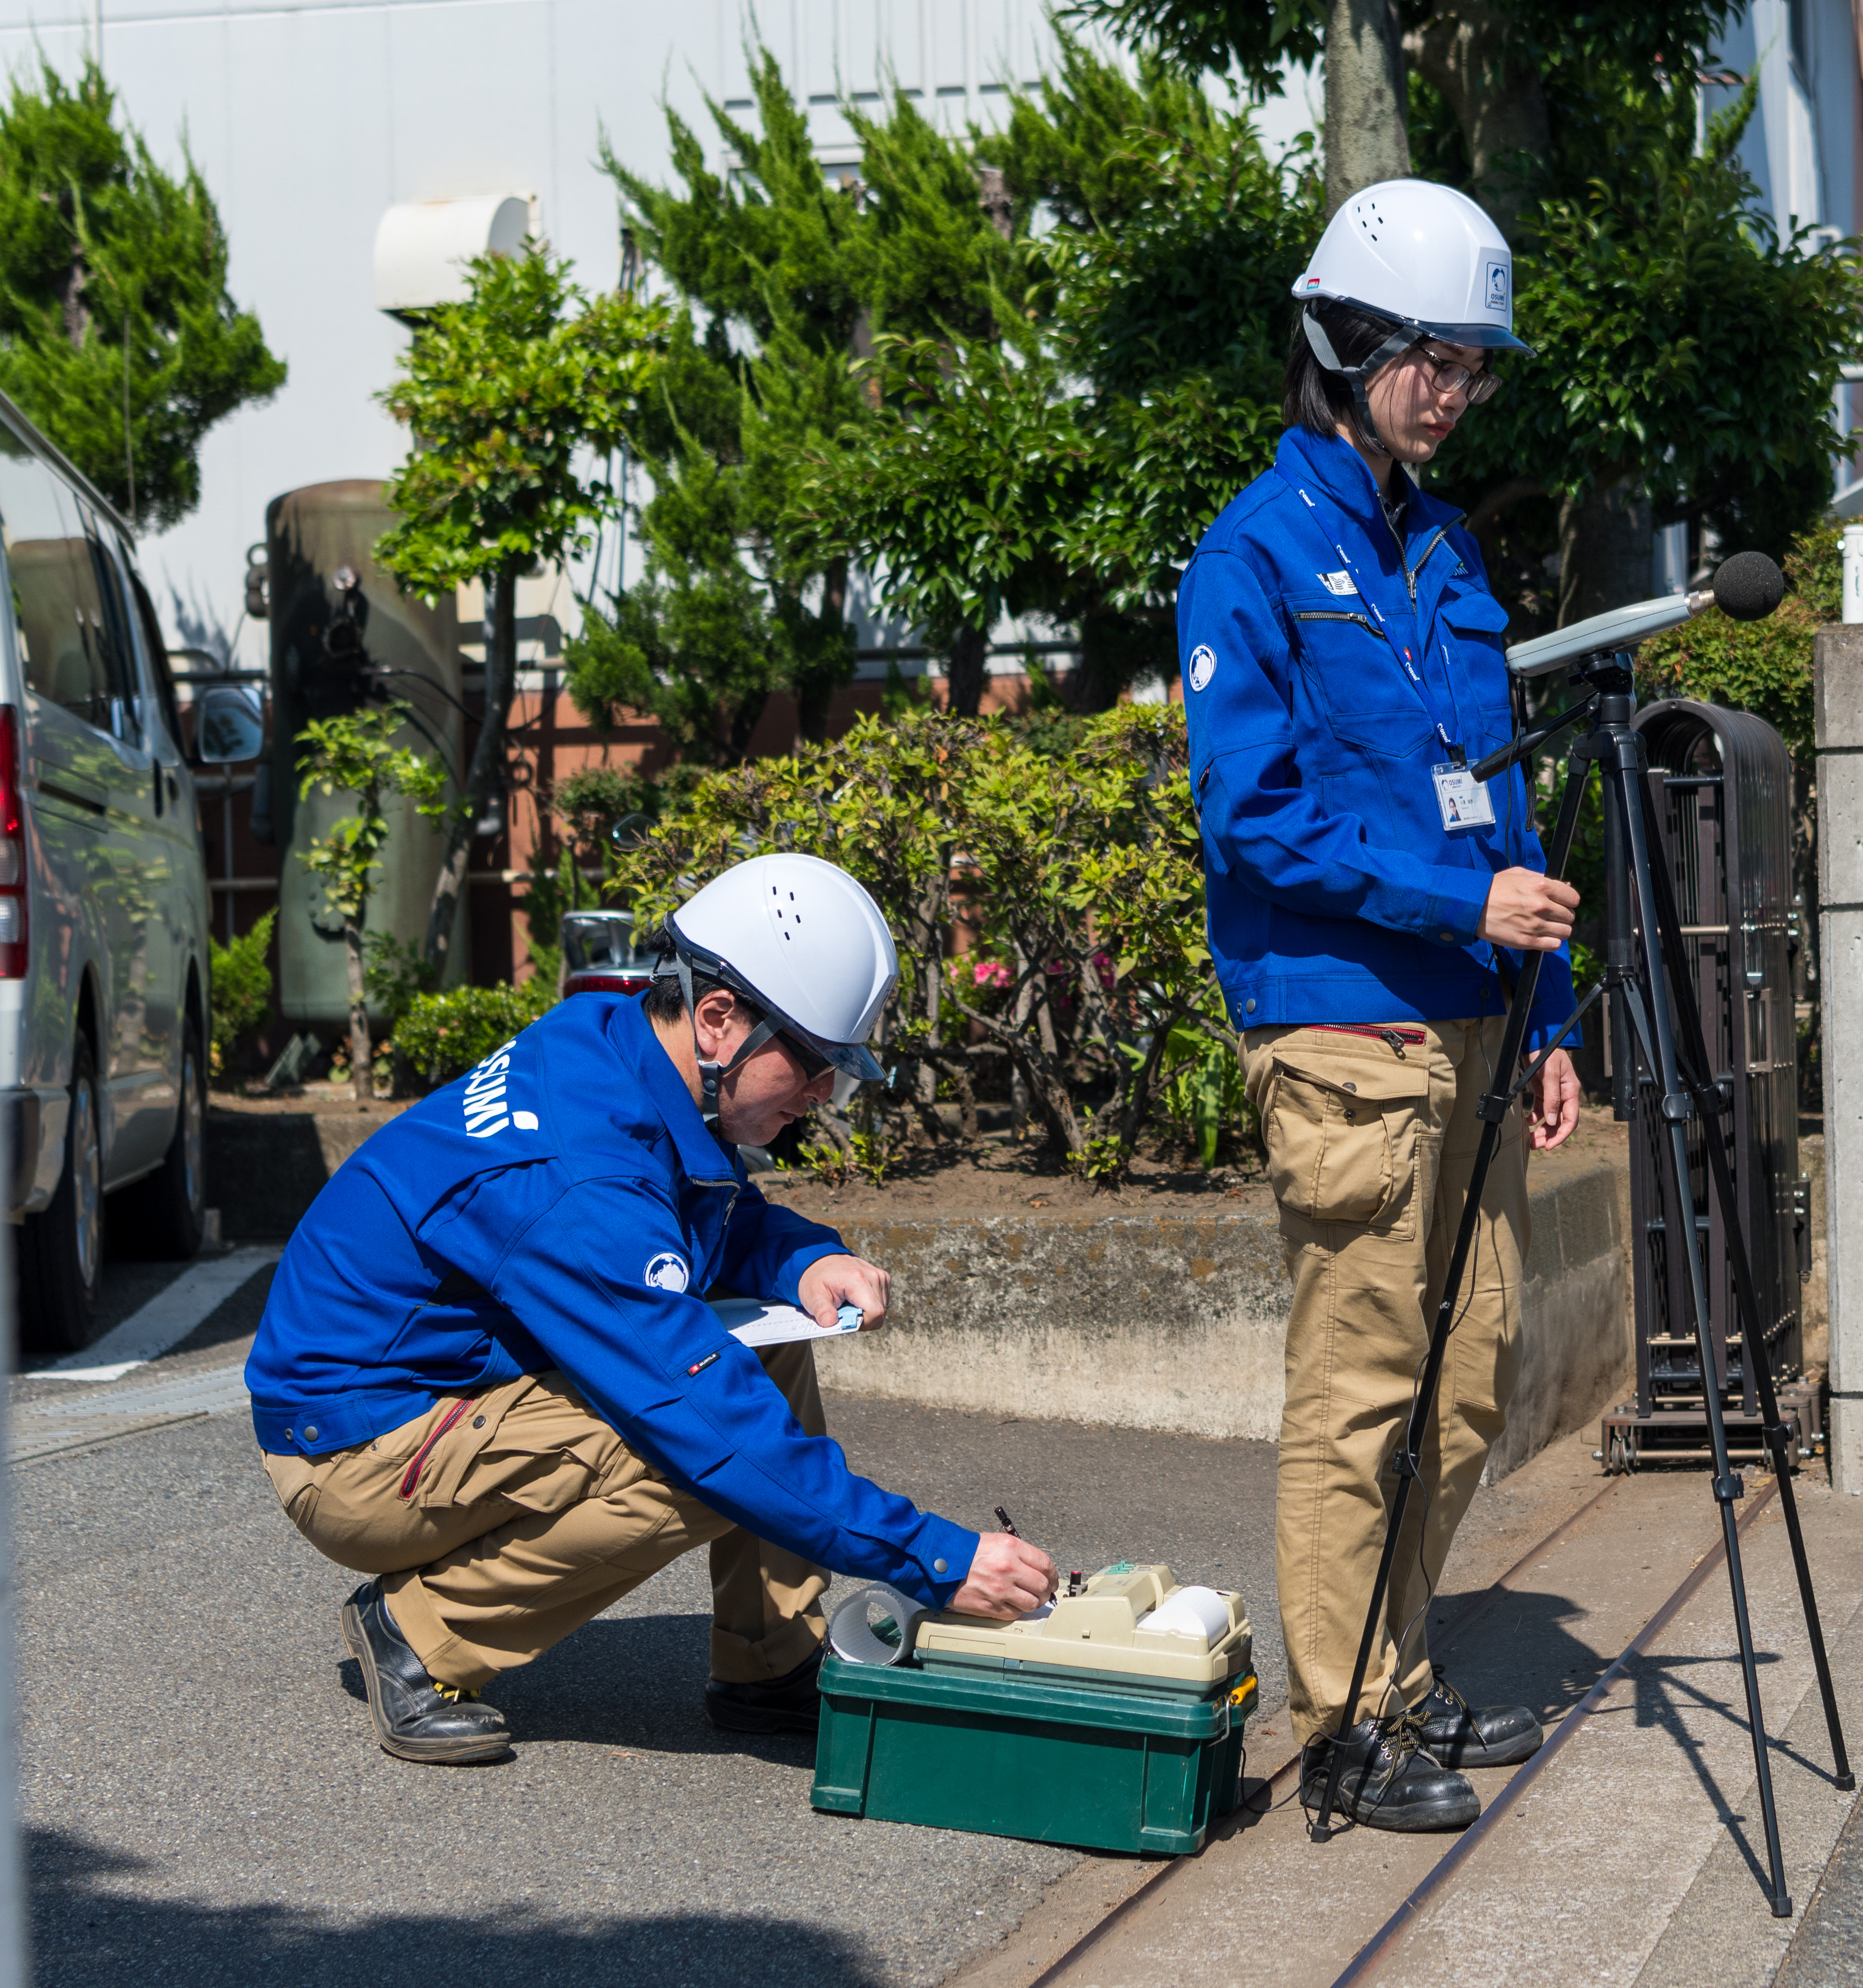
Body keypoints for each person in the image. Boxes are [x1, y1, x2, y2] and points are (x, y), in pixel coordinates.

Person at [246, 852, 1057, 1765]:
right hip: (357, 1453)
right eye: (815, 1064)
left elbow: (699, 1214)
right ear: (719, 1020)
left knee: (768, 1349)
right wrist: (936, 1560)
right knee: (695, 1456)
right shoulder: (579, 1180)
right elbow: (704, 1417)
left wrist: (801, 1256)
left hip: (437, 1393)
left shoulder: (618, 1046)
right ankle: (419, 1633)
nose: (826, 1095)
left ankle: (768, 1661)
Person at [1177, 178, 1583, 1832]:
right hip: (1345, 1026)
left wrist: (1544, 1006)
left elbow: (1496, 791)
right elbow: (1252, 819)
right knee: (1358, 1392)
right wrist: (1455, 906)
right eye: (1429, 357)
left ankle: (1401, 1678)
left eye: (1472, 365)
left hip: (1478, 1021)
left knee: (1466, 1379)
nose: (1454, 390)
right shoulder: (1253, 556)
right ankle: (1343, 1723)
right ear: (1341, 346)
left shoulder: (1447, 545)